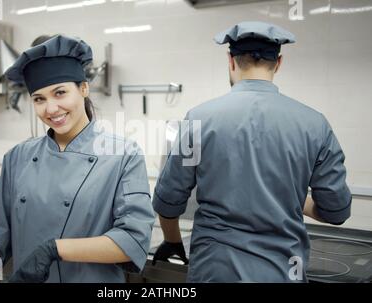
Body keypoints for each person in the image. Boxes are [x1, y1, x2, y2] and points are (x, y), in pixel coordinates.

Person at [151, 21, 352, 282]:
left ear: (231, 61)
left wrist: (172, 239)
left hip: (215, 269)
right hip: (284, 271)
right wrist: (284, 195)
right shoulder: (315, 124)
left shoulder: (198, 119)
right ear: (278, 63)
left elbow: (169, 199)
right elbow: (336, 212)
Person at [0, 35, 155, 283]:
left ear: (84, 88)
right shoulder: (18, 157)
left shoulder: (123, 155)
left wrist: (54, 249)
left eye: (60, 93)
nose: (51, 109)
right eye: (39, 99)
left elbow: (133, 239)